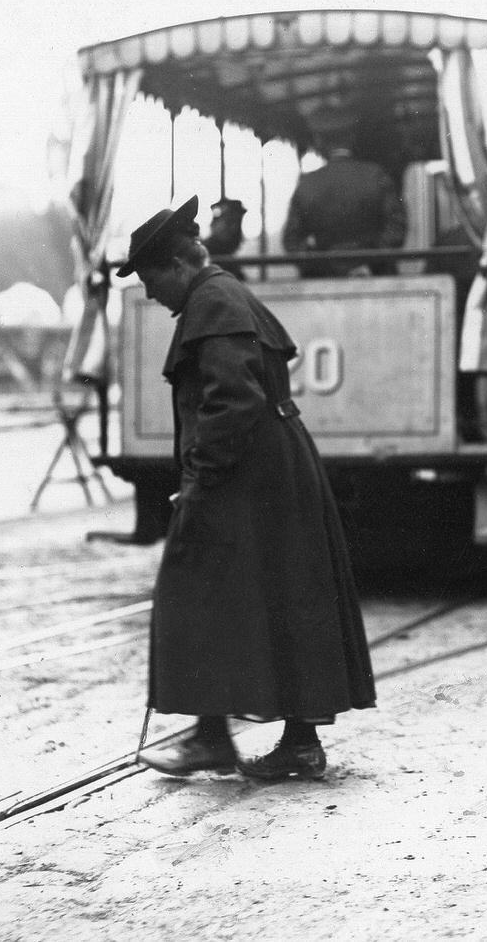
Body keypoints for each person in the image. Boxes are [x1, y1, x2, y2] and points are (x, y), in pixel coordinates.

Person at [117, 197, 376, 781]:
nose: (152, 295)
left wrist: (200, 481)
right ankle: (295, 743)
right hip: (270, 469)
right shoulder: (221, 297)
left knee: (195, 585)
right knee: (283, 595)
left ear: (177, 265)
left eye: (152, 279)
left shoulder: (212, 302)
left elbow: (233, 403)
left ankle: (213, 739)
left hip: (251, 471)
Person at [281, 128, 407, 278]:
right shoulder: (376, 175)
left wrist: (324, 268)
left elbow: (291, 241)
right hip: (377, 276)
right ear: (352, 140)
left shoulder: (308, 184)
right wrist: (371, 263)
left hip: (324, 281)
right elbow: (397, 226)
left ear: (321, 143)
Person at [203, 198, 247, 277]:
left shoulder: (228, 258)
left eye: (237, 222)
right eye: (230, 221)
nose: (234, 228)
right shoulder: (207, 253)